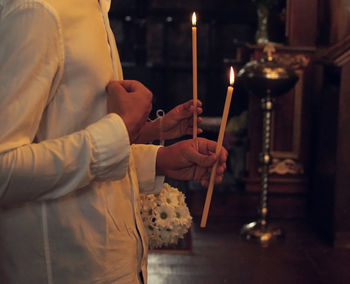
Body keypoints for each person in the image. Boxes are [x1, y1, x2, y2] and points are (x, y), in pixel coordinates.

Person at [0, 1, 227, 283]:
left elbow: (67, 133)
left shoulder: (94, 9)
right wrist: (121, 129)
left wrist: (158, 159)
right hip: (66, 268)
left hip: (115, 261)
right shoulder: (39, 11)